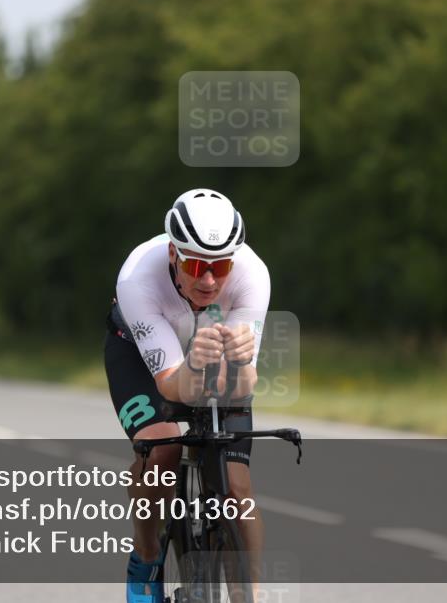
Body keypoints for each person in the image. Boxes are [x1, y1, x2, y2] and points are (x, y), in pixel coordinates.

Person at [105, 189, 270, 603]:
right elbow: (169, 385)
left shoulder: (253, 274)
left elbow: (246, 383)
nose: (210, 280)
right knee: (160, 455)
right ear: (175, 255)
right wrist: (193, 365)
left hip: (209, 355)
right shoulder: (137, 279)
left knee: (237, 489)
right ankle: (146, 556)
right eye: (197, 265)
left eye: (221, 266)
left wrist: (239, 366)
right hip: (141, 358)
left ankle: (246, 593)